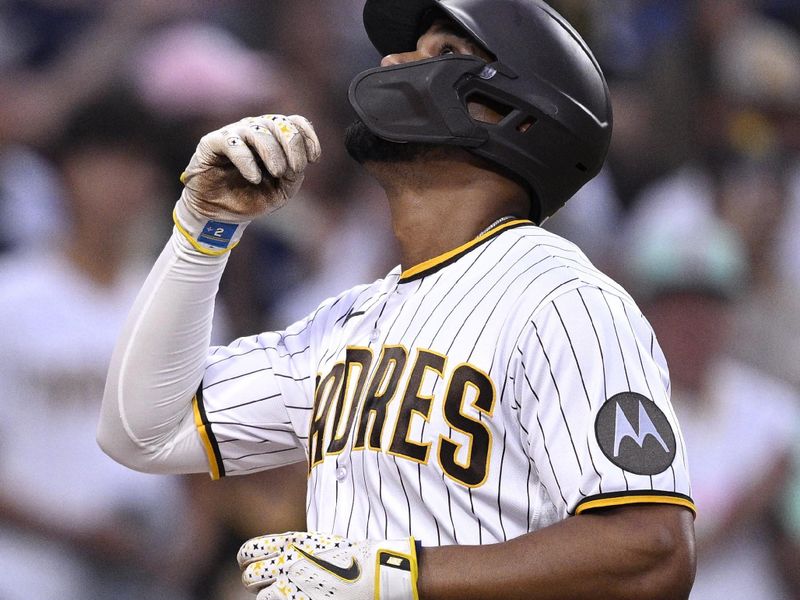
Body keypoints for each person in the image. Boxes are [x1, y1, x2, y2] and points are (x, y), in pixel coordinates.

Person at [98, 1, 697, 598]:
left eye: (444, 52)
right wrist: (203, 231)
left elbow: (653, 551)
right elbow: (142, 430)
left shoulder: (565, 302)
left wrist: (399, 578)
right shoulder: (344, 323)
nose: (392, 60)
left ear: (522, 116)